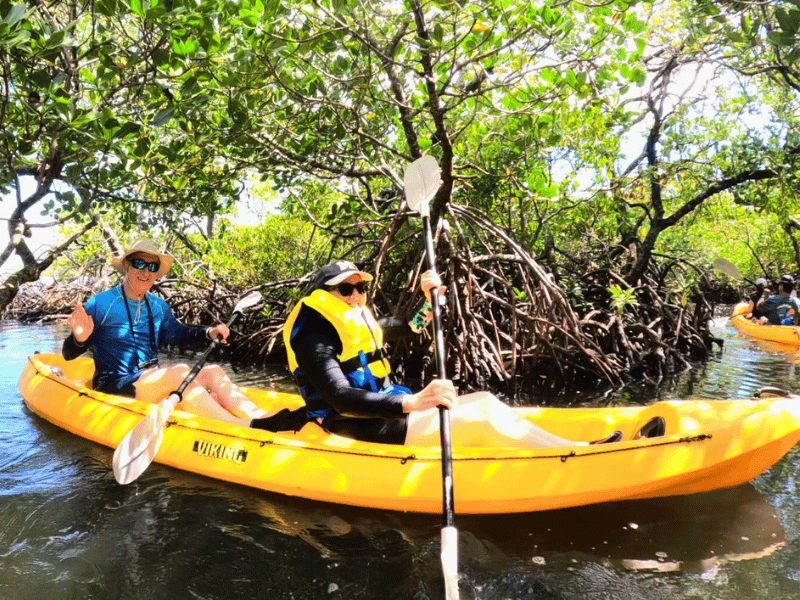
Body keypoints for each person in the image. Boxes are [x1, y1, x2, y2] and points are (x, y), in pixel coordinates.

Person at [282, 260, 624, 448]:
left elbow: (406, 327)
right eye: (346, 288)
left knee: (485, 400)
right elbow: (340, 398)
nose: (357, 295)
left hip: (379, 412)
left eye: (361, 287)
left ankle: (572, 447)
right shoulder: (313, 334)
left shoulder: (352, 320)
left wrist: (429, 306)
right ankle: (576, 454)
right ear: (325, 293)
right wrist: (413, 402)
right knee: (480, 420)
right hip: (349, 422)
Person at [62, 239, 271, 426]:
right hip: (114, 386)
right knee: (180, 372)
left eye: (152, 267)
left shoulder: (158, 306)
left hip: (150, 383)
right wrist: (80, 339)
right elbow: (67, 354)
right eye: (139, 263)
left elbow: (179, 335)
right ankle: (241, 427)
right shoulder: (101, 304)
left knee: (214, 371)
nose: (146, 272)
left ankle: (263, 417)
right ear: (127, 265)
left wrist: (209, 332)